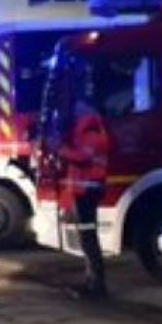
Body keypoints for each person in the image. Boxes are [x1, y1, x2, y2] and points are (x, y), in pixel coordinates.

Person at [56, 97, 110, 300]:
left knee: (89, 239)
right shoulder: (91, 131)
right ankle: (92, 281)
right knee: (87, 238)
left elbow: (83, 158)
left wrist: (61, 150)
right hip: (86, 191)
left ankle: (97, 285)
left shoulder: (90, 133)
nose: (75, 112)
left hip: (88, 192)